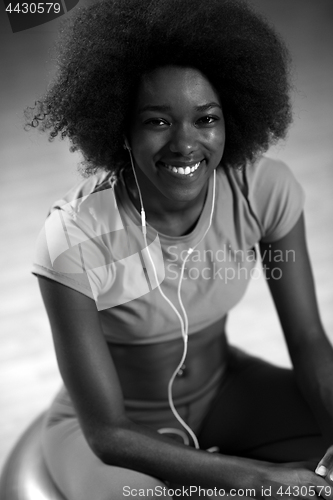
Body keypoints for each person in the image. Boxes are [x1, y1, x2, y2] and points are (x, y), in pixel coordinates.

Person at [26, 0, 333, 498]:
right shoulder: (75, 238)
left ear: (231, 118)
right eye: (157, 121)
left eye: (206, 118)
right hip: (119, 431)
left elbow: (309, 341)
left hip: (229, 396)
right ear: (121, 128)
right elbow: (108, 433)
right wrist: (259, 479)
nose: (186, 144)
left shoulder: (264, 192)